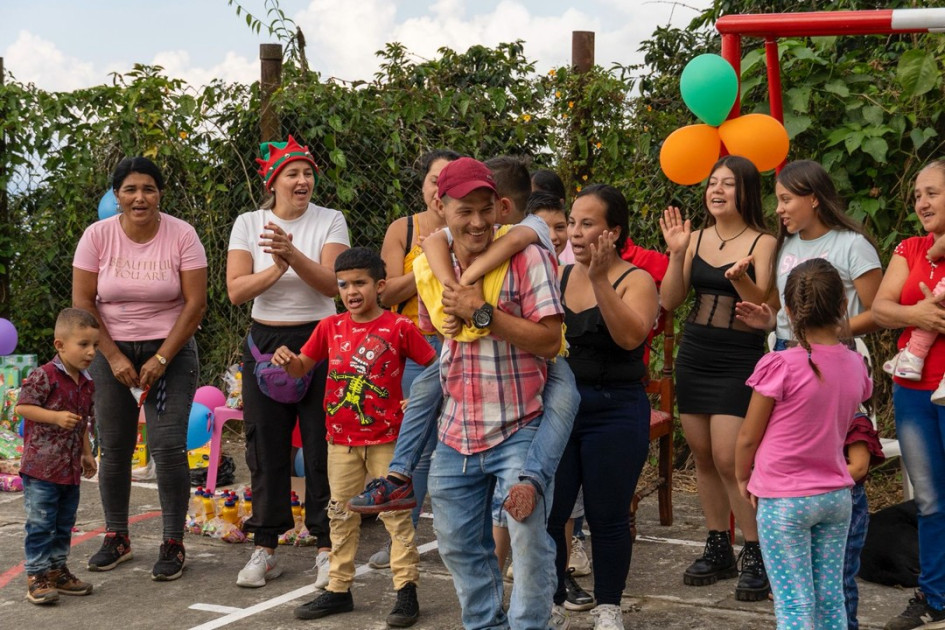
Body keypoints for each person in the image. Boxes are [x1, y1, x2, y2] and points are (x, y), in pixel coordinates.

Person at [423, 157, 564, 629]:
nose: (478, 221)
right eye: (465, 211)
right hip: (456, 429)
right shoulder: (434, 262)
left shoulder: (528, 256)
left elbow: (549, 340)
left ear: (500, 207)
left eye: (486, 209)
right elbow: (432, 329)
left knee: (526, 542)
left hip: (520, 424)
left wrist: (482, 313)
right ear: (442, 209)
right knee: (458, 545)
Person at [271, 247, 436, 626]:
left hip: (387, 441)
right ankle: (339, 589)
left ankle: (406, 591)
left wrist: (417, 401)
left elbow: (434, 368)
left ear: (380, 285)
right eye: (343, 284)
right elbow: (301, 369)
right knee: (341, 514)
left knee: (396, 516)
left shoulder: (400, 327)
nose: (351, 291)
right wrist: (287, 361)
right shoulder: (330, 326)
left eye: (360, 282)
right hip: (340, 441)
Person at [73, 156, 207, 581]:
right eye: (130, 189)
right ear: (117, 196)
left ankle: (172, 542)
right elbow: (83, 303)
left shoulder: (182, 235)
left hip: (171, 348)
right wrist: (111, 357)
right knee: (113, 448)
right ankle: (117, 537)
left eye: (148, 188)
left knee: (168, 448)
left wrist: (162, 357)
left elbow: (196, 304)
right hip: (110, 350)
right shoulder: (97, 236)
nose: (139, 197)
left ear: (160, 193)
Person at [227, 136, 349, 589]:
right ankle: (265, 547)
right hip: (264, 342)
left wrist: (291, 253)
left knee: (320, 448)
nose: (303, 180)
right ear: (273, 180)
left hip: (320, 340)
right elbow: (237, 290)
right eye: (293, 173)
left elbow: (333, 286)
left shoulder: (331, 220)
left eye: (308, 172)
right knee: (265, 449)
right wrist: (277, 269)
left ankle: (324, 546)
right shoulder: (248, 222)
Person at [659, 155, 776, 601]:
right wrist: (675, 252)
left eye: (728, 183)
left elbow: (762, 304)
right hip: (696, 352)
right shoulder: (695, 237)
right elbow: (670, 299)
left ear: (745, 190)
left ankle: (756, 552)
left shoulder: (763, 241)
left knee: (731, 459)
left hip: (739, 355)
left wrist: (741, 278)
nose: (717, 190)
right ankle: (717, 544)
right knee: (704, 457)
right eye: (712, 183)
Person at [735, 258, 872, 629]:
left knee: (794, 606)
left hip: (784, 501)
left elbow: (748, 435)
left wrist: (741, 477)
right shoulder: (856, 365)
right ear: (843, 305)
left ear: (790, 311)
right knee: (830, 603)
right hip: (835, 496)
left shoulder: (779, 365)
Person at [547, 184, 660, 630]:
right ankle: (553, 600)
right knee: (552, 515)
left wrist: (597, 277)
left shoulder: (636, 280)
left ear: (614, 232)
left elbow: (630, 337)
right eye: (571, 222)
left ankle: (608, 607)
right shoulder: (554, 276)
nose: (574, 232)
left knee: (607, 515)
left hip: (615, 409)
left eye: (587, 223)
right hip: (559, 410)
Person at [366, 149, 460, 570]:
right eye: (433, 180)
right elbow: (385, 293)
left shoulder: (476, 227)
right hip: (416, 347)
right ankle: (402, 542)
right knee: (416, 448)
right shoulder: (403, 228)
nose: (439, 188)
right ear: (423, 186)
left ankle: (455, 537)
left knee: (456, 444)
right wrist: (427, 261)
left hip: (462, 345)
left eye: (449, 180)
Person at [872, 159, 945, 630]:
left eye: (933, 193)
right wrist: (917, 314)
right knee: (931, 500)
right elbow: (880, 307)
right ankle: (935, 597)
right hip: (913, 391)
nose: (921, 202)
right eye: (917, 193)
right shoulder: (910, 246)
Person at [734, 159, 882, 350]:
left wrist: (831, 333)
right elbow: (778, 307)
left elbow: (879, 312)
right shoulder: (784, 245)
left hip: (835, 350)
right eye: (778, 200)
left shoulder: (853, 244)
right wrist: (767, 318)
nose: (779, 209)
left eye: (786, 199)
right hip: (784, 349)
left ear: (813, 199)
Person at [16, 308, 100, 604]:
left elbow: (83, 422)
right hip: (41, 469)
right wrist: (54, 417)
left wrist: (87, 454)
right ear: (59, 345)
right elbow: (23, 408)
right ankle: (36, 575)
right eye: (83, 345)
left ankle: (57, 571)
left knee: (65, 523)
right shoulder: (44, 375)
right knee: (40, 523)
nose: (90, 352)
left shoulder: (87, 382)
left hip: (69, 469)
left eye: (95, 346)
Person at [843, 412, 885, 630]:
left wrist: (811, 480)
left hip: (844, 501)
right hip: (812, 497)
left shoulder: (855, 420)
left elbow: (858, 468)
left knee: (841, 574)